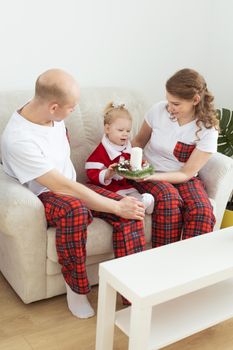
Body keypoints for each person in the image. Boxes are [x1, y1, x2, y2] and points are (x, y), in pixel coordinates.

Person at [1, 69, 146, 319]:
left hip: (72, 186)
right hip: (46, 194)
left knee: (130, 209)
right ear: (54, 107)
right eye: (72, 107)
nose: (74, 111)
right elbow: (62, 187)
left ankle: (131, 293)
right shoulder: (18, 139)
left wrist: (120, 206)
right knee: (76, 210)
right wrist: (113, 207)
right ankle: (76, 291)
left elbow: (71, 181)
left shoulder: (47, 112)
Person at [132, 68, 219, 247]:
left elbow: (186, 173)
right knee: (169, 200)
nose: (170, 108)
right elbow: (138, 142)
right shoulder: (158, 111)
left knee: (202, 211)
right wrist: (140, 167)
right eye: (168, 101)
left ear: (195, 100)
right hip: (149, 170)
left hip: (182, 177)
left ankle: (189, 268)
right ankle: (163, 263)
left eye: (176, 104)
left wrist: (153, 176)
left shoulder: (207, 129)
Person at [85, 101, 154, 214]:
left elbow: (133, 162)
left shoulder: (127, 148)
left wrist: (142, 166)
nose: (125, 134)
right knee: (124, 199)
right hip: (109, 187)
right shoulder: (102, 150)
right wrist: (108, 173)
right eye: (120, 130)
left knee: (134, 194)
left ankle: (144, 203)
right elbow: (91, 171)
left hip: (125, 184)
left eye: (128, 131)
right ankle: (139, 206)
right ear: (107, 129)